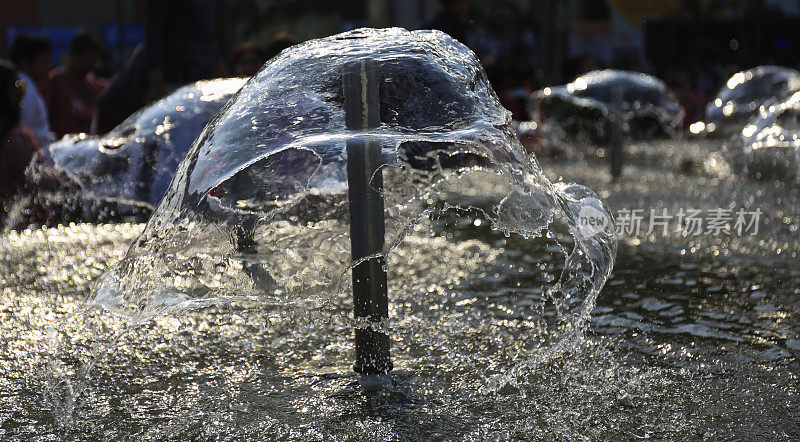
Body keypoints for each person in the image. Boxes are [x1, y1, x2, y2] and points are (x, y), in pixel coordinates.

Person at [0, 60, 43, 225]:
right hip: (20, 226)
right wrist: (73, 178)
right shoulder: (17, 138)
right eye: (19, 89)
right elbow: (35, 181)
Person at [46, 30, 108, 137]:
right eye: (87, 59)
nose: (91, 65)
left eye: (94, 61)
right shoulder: (55, 82)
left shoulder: (99, 87)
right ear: (72, 55)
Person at [9, 34, 54, 145]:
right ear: (25, 63)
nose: (49, 66)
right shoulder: (24, 90)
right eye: (44, 61)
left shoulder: (28, 85)